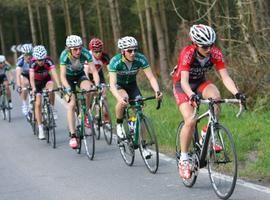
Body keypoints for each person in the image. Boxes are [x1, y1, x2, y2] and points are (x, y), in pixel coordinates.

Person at [172, 24, 246, 179]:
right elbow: (184, 81)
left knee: (216, 97)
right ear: (195, 44)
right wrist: (191, 95)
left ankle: (207, 131)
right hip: (182, 86)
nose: (209, 49)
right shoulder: (188, 53)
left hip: (200, 83)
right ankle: (184, 159)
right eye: (205, 46)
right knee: (190, 120)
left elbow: (225, 77)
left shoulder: (215, 53)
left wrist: (237, 93)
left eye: (212, 45)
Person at [109, 36, 163, 157]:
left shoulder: (140, 59)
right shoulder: (115, 61)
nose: (133, 53)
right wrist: (119, 98)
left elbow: (151, 77)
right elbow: (112, 85)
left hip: (132, 85)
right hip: (119, 86)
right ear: (123, 51)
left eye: (135, 50)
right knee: (125, 98)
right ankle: (118, 124)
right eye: (129, 51)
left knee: (139, 111)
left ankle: (143, 146)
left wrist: (157, 91)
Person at [60, 35, 99, 149]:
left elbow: (94, 71)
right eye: (75, 49)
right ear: (69, 49)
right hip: (68, 79)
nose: (78, 51)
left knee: (89, 90)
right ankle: (72, 135)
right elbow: (62, 76)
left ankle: (85, 113)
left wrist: (96, 85)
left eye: (80, 48)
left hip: (80, 75)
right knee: (72, 105)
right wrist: (67, 88)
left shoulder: (86, 53)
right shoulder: (64, 55)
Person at [29, 45, 61, 140]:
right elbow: (31, 78)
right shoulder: (32, 63)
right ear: (35, 58)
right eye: (39, 60)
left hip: (47, 80)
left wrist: (58, 85)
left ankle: (51, 107)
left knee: (51, 90)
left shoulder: (48, 60)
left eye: (42, 59)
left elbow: (54, 73)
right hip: (37, 83)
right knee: (38, 103)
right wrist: (33, 88)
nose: (41, 62)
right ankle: (40, 128)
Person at [87, 38, 110, 122]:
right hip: (88, 75)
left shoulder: (104, 56)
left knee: (103, 94)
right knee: (91, 91)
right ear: (91, 50)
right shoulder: (88, 56)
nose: (98, 53)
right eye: (95, 52)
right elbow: (85, 71)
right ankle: (87, 110)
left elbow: (110, 70)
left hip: (99, 74)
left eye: (100, 51)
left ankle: (105, 116)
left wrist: (111, 78)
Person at [16, 43, 33, 116]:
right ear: (23, 55)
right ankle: (24, 104)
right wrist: (19, 86)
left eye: (30, 54)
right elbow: (18, 75)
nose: (28, 56)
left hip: (32, 73)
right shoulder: (20, 61)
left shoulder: (34, 58)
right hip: (24, 74)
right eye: (26, 55)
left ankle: (32, 99)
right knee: (25, 84)